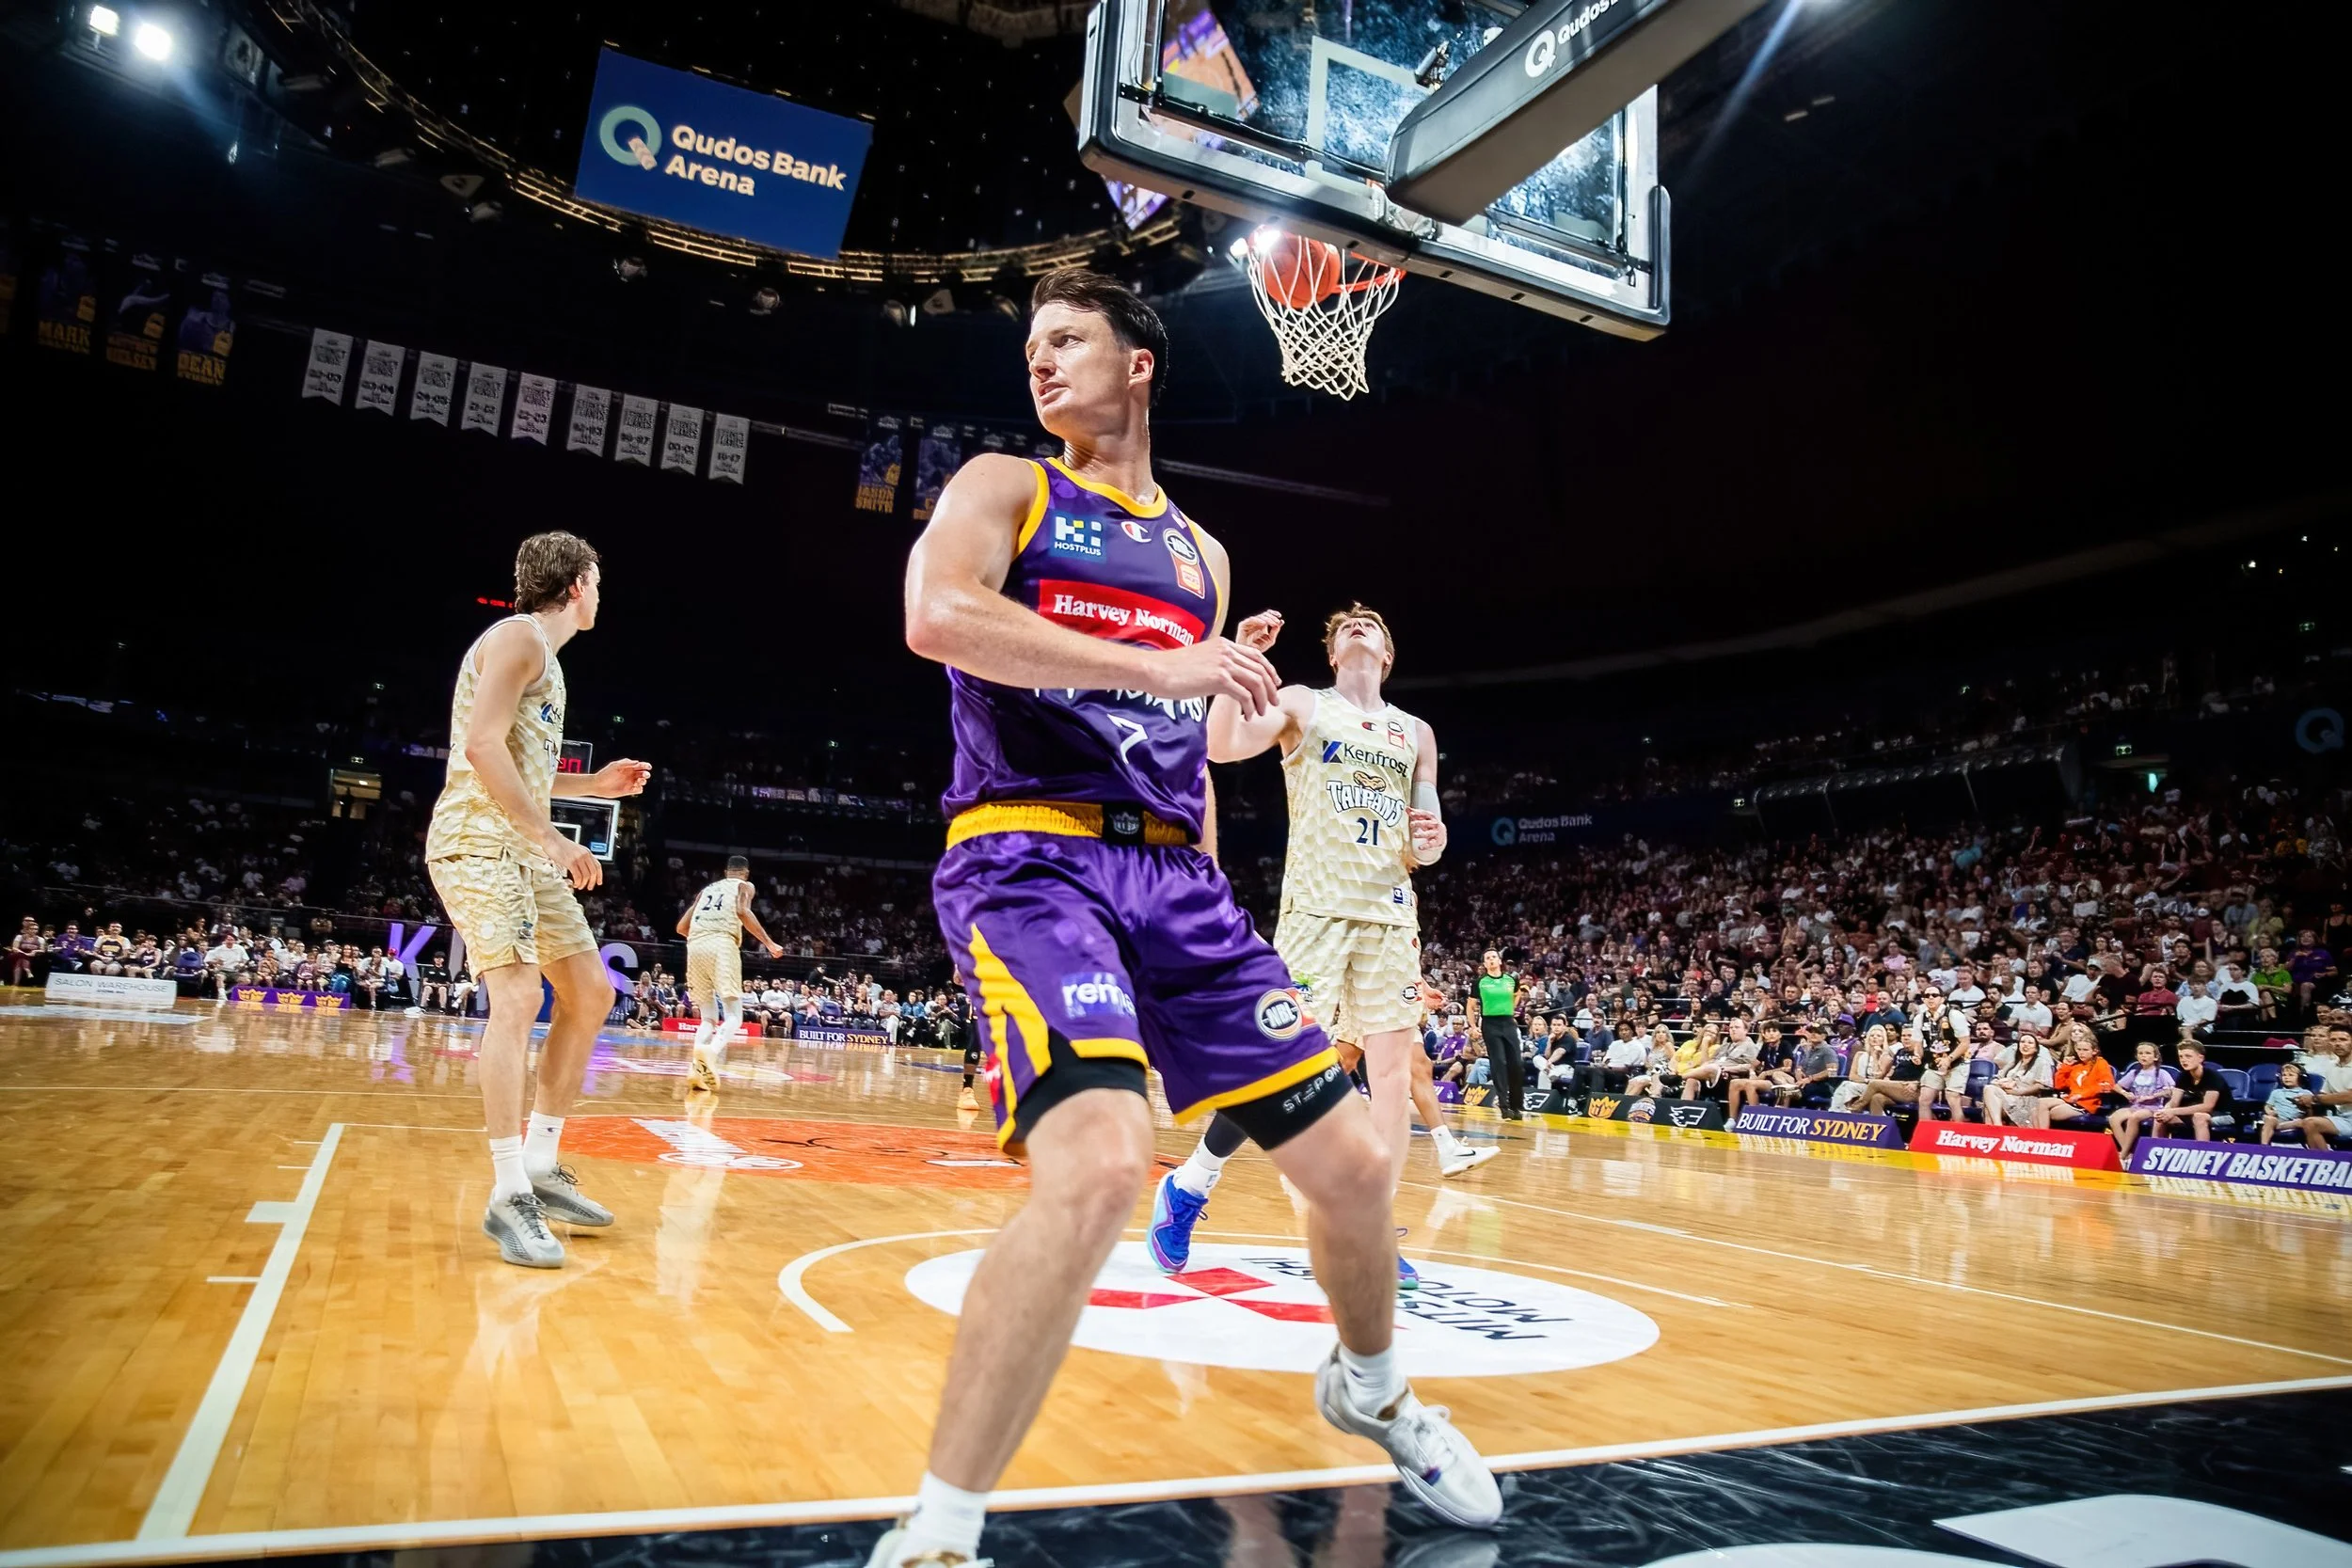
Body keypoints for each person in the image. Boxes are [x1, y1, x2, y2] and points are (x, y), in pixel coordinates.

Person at [872, 269, 1500, 1568]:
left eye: (1069, 340)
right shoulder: (1007, 484)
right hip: (1032, 856)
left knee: (1357, 1168)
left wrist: (1211, 730)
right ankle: (940, 1528)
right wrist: (1159, 662)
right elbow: (939, 617)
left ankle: (1372, 1387)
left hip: (1180, 880)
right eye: (1032, 347)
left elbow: (1183, 742)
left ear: (1139, 360)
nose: (1042, 364)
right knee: (1103, 1162)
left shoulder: (1199, 555)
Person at [1150, 602, 1491, 1297]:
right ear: (1335, 653)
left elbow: (1428, 828)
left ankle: (1371, 1228)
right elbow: (1222, 745)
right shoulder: (1307, 702)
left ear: (1387, 654)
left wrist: (1436, 838)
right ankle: (1191, 1183)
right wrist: (1236, 665)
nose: (1361, 625)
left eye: (1373, 623)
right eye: (1348, 626)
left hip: (1390, 914)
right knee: (1278, 1066)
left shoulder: (1415, 732)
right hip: (1314, 912)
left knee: (1393, 1073)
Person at [423, 531, 651, 1268]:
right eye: (599, 580)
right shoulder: (519, 638)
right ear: (580, 583)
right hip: (477, 843)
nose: (600, 593)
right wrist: (554, 840)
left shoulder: (544, 658)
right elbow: (482, 748)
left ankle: (544, 1164)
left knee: (588, 992)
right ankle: (507, 1190)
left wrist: (592, 786)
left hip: (518, 847)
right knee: (518, 998)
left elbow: (518, 764)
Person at [675, 855, 785, 1093]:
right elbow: (742, 911)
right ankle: (710, 1054)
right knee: (735, 1015)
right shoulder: (744, 886)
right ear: (745, 873)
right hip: (722, 943)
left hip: (695, 945)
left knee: (707, 1018)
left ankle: (696, 1070)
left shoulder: (705, 891)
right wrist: (769, 942)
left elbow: (681, 928)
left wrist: (704, 936)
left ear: (726, 871)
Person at [1473, 949, 1528, 1121]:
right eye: (1487, 958)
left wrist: (1511, 1007)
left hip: (1508, 1022)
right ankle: (1504, 1106)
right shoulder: (1480, 982)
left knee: (1516, 1063)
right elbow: (1470, 1005)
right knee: (1499, 1062)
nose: (1491, 960)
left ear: (1499, 960)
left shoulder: (1511, 979)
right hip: (1490, 1023)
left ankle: (1516, 1105)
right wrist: (1472, 1025)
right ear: (1484, 963)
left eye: (1493, 957)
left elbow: (1517, 993)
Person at [2107, 1040, 2180, 1160]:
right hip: (2135, 1105)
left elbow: (2171, 1090)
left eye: (2147, 1053)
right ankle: (2127, 1150)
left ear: (2156, 1057)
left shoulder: (2161, 1073)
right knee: (2113, 1118)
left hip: (2152, 1107)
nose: (2143, 1056)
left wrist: (2153, 1096)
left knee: (2134, 1117)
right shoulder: (2134, 1072)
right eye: (2140, 1053)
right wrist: (2125, 1093)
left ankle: (2123, 1153)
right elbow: (2116, 1086)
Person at [2150, 1041, 2232, 1143]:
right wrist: (2165, 1111)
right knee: (2161, 1118)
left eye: (2188, 1056)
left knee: (2199, 1117)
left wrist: (2173, 1111)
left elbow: (2207, 1107)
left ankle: (2202, 1154)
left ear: (2200, 1058)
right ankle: (2155, 1150)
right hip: (2194, 1113)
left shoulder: (2212, 1077)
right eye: (2181, 1057)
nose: (2184, 1060)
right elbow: (2174, 1102)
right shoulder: (2183, 1076)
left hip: (2224, 1114)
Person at [2044, 1026, 2117, 1129]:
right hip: (2071, 1100)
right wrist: (2066, 1067)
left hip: (2087, 1103)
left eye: (2085, 1050)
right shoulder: (2077, 1066)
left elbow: (2106, 1086)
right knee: (2039, 1106)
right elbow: (2059, 1085)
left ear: (2094, 1051)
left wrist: (2081, 1095)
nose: (2081, 1053)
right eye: (2079, 1049)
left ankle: (2044, 1139)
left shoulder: (2100, 1063)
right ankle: (2040, 1140)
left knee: (2051, 1113)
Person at [1979, 1031, 2054, 1127]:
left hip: (2026, 1099)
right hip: (2008, 1096)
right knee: (1989, 1089)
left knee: (1990, 1103)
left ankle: (1995, 1130)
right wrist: (2001, 1083)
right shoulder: (2014, 1062)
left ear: (2036, 1049)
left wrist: (2019, 1092)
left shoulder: (2041, 1062)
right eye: (2022, 1042)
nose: (2025, 1045)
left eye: (2030, 1043)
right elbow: (1997, 1078)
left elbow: (2041, 1085)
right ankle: (1996, 1128)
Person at [2259, 1060, 2309, 1144]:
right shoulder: (2276, 1092)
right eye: (2284, 1075)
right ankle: (2264, 1147)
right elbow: (2267, 1106)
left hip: (2293, 1121)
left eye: (2291, 1075)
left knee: (2301, 1122)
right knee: (2269, 1119)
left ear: (2300, 1078)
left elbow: (2309, 1111)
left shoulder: (2306, 1093)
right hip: (2277, 1119)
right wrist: (2269, 1111)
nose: (2286, 1077)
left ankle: (2279, 1127)